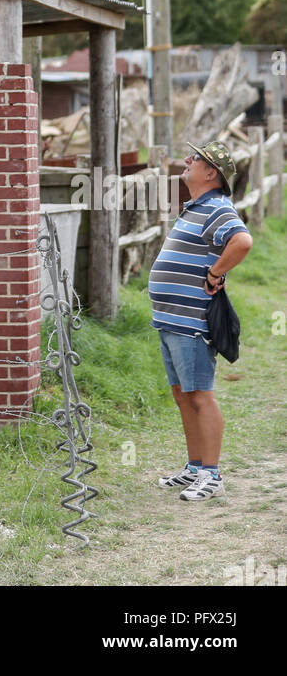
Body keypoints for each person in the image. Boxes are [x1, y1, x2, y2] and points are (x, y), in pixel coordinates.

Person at [148, 140, 252, 501]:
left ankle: (212, 474)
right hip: (170, 319)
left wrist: (214, 274)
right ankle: (194, 467)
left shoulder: (217, 207)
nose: (188, 160)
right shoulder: (197, 207)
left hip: (191, 320)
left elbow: (242, 241)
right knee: (182, 395)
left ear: (211, 173)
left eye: (198, 159)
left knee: (200, 395)